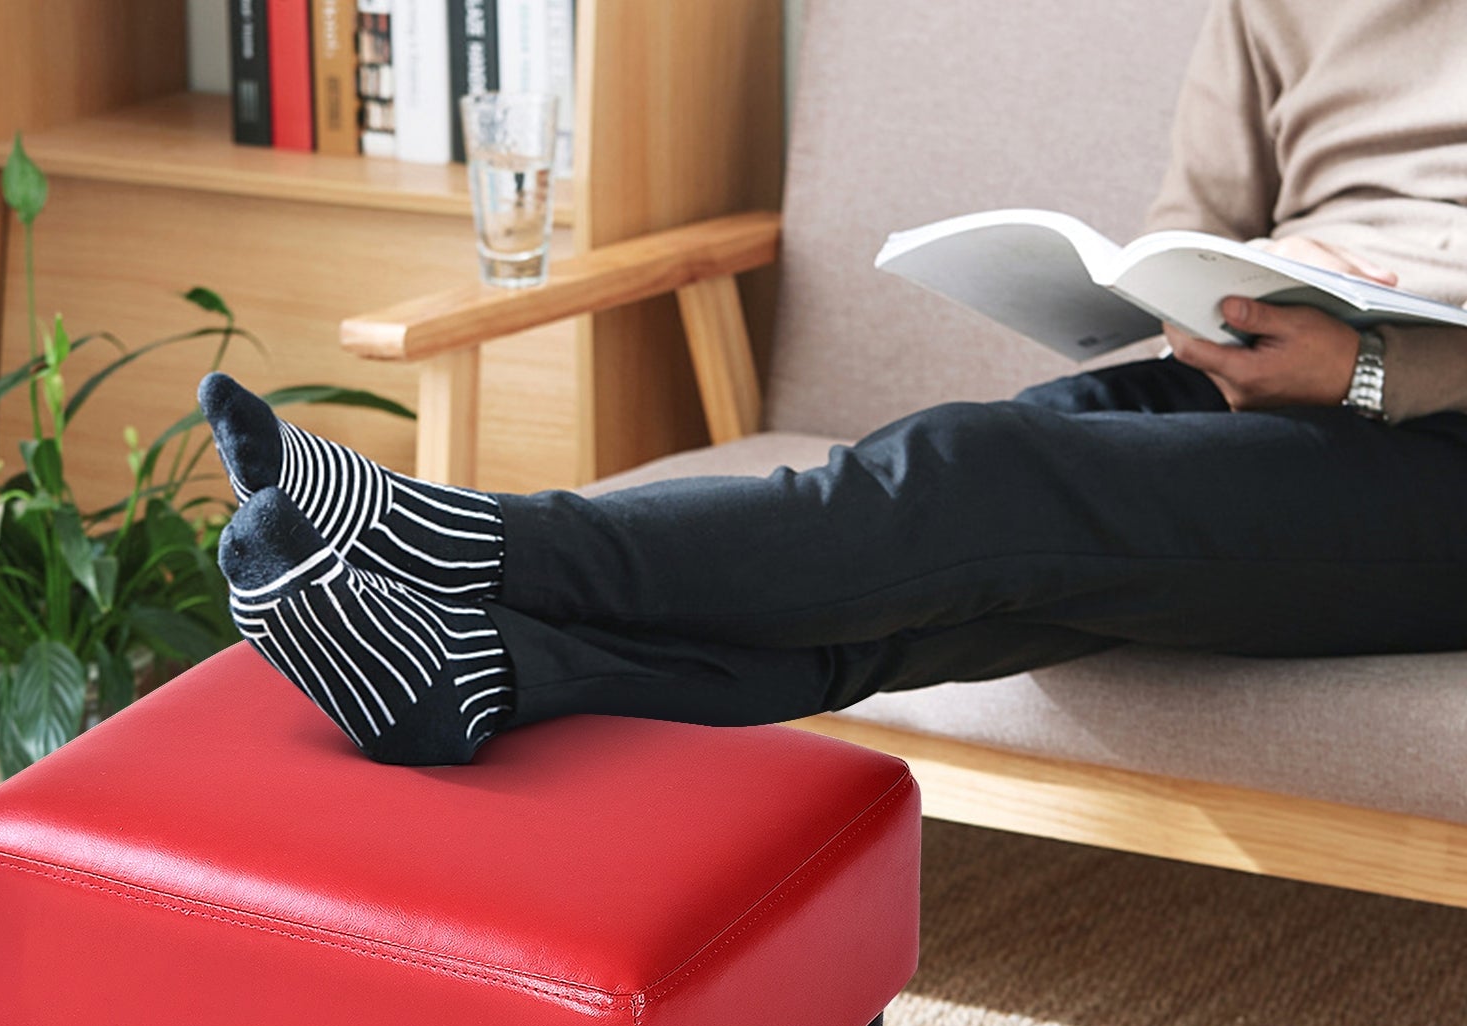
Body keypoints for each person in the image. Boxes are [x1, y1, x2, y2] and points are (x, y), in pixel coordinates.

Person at [200, 0, 1467, 768]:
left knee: (996, 484)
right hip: (1271, 383)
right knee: (962, 516)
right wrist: (1223, 288)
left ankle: (483, 544)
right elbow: (1189, 224)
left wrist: (1375, 365)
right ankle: (490, 677)